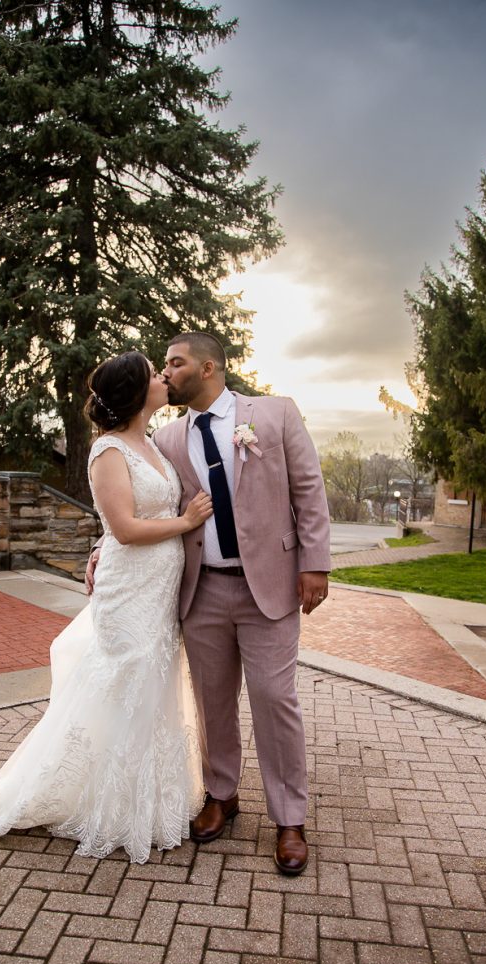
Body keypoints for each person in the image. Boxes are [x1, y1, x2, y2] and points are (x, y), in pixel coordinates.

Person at [0, 351, 212, 864]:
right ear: (133, 391)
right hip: (129, 590)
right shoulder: (107, 451)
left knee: (154, 683)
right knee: (126, 680)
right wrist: (186, 522)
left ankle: (145, 798)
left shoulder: (149, 442)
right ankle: (104, 803)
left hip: (159, 586)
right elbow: (124, 528)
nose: (161, 378)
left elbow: (114, 529)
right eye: (153, 373)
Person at [88, 332, 330, 875]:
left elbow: (309, 492)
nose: (167, 372)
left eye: (174, 363)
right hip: (202, 589)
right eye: (164, 365)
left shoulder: (274, 415)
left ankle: (290, 818)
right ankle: (221, 793)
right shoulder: (168, 439)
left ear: (209, 367)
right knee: (211, 700)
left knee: (275, 697)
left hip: (270, 584)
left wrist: (315, 563)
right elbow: (131, 501)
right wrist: (101, 547)